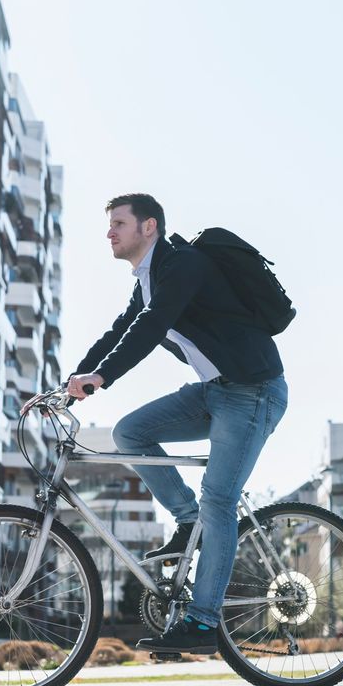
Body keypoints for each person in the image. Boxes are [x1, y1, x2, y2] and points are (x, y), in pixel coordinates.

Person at [61, 193, 287, 654]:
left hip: (253, 391)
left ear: (149, 227)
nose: (109, 232)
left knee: (218, 500)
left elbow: (150, 326)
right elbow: (119, 330)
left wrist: (102, 377)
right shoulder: (148, 279)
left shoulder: (183, 264)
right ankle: (188, 520)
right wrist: (69, 383)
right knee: (130, 432)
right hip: (215, 391)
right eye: (110, 225)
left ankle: (203, 624)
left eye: (118, 223)